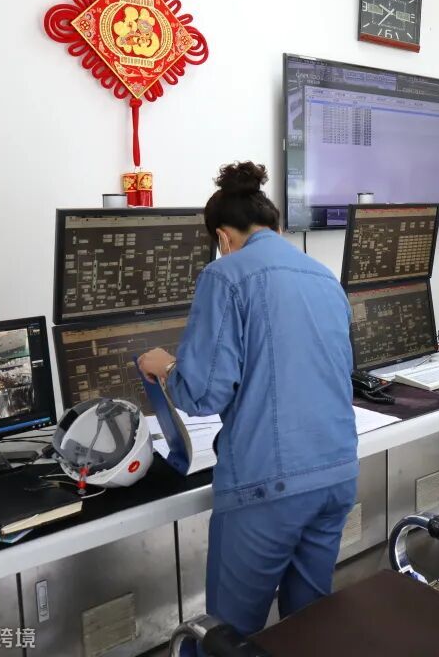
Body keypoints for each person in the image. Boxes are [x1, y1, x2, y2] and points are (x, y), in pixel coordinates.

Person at [138, 161, 358, 638]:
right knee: (307, 626)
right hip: (337, 475)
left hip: (268, 487)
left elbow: (203, 393)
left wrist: (167, 367)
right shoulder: (325, 279)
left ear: (223, 237)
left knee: (228, 636)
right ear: (275, 227)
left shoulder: (225, 275)